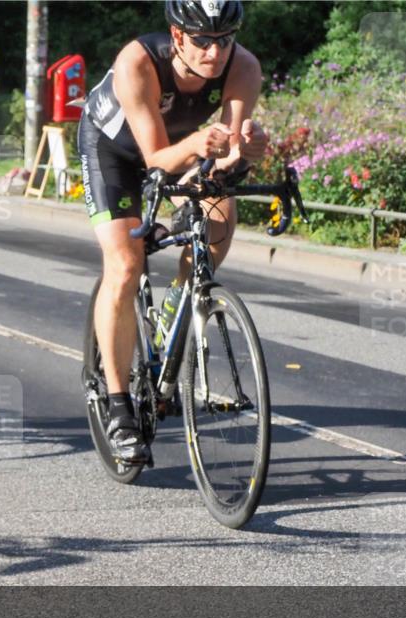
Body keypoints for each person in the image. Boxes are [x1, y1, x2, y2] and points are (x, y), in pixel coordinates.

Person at [78, 0, 268, 464]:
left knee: (221, 213)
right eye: (202, 40)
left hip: (179, 149)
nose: (214, 52)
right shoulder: (137, 62)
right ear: (178, 36)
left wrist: (249, 151)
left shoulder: (243, 66)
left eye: (224, 40)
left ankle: (181, 300)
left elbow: (229, 150)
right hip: (115, 152)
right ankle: (119, 407)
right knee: (125, 264)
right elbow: (156, 157)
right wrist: (198, 147)